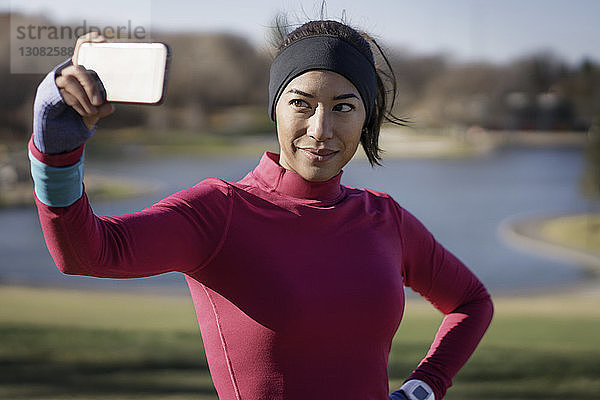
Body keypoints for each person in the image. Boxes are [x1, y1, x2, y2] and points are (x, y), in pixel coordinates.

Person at [29, 20, 493, 400]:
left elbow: (472, 302)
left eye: (343, 107)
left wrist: (424, 387)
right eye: (301, 103)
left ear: (365, 116)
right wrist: (57, 149)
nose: (321, 128)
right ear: (275, 109)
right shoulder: (219, 213)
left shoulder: (384, 218)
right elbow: (87, 254)